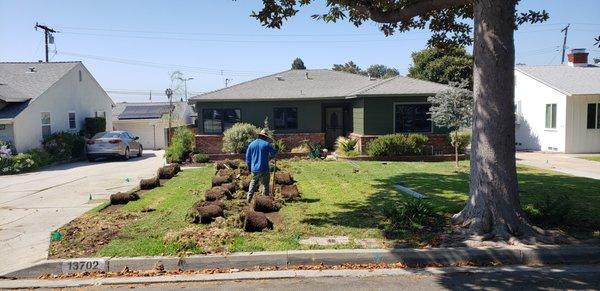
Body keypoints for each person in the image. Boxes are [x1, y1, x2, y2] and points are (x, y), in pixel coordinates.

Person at [245, 129, 278, 202]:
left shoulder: (251, 144)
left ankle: (249, 198)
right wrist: (276, 149)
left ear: (259, 136)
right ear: (265, 137)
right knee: (265, 184)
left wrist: (249, 167)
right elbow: (274, 154)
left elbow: (248, 157)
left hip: (254, 168)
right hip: (264, 168)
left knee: (253, 182)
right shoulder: (266, 144)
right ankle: (264, 200)